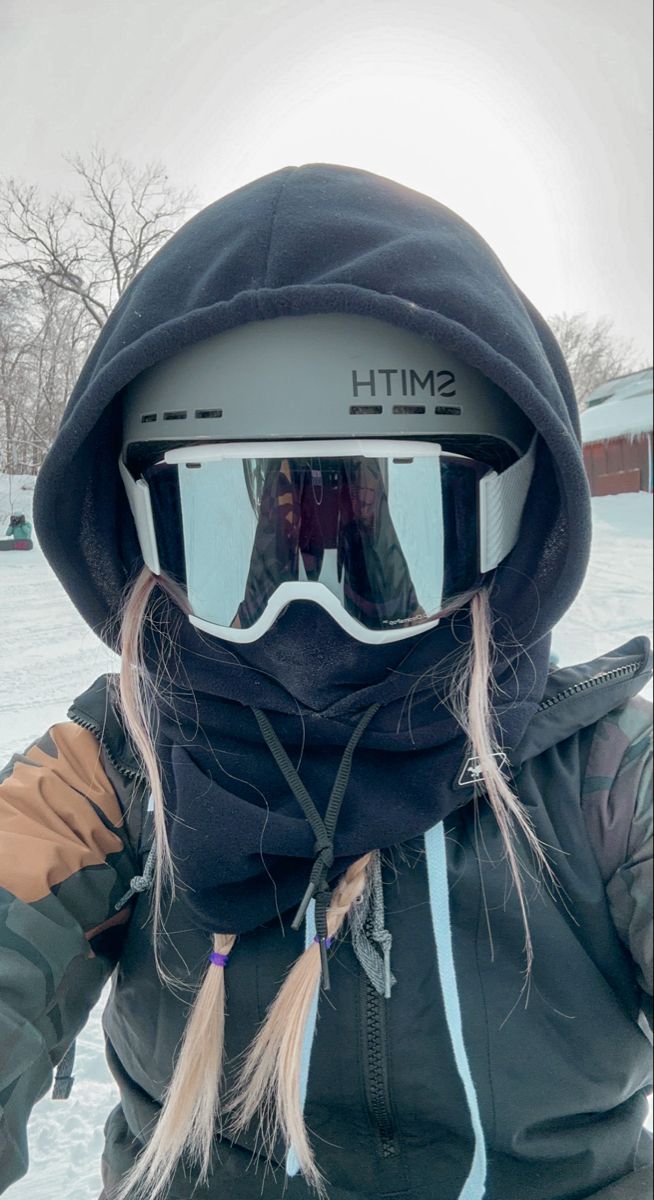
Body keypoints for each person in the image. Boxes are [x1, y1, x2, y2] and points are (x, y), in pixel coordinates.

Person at [0, 164, 651, 1200]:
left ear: (507, 528)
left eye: (377, 541)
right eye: (234, 548)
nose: (305, 622)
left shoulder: (608, 783)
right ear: (142, 543)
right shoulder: (112, 774)